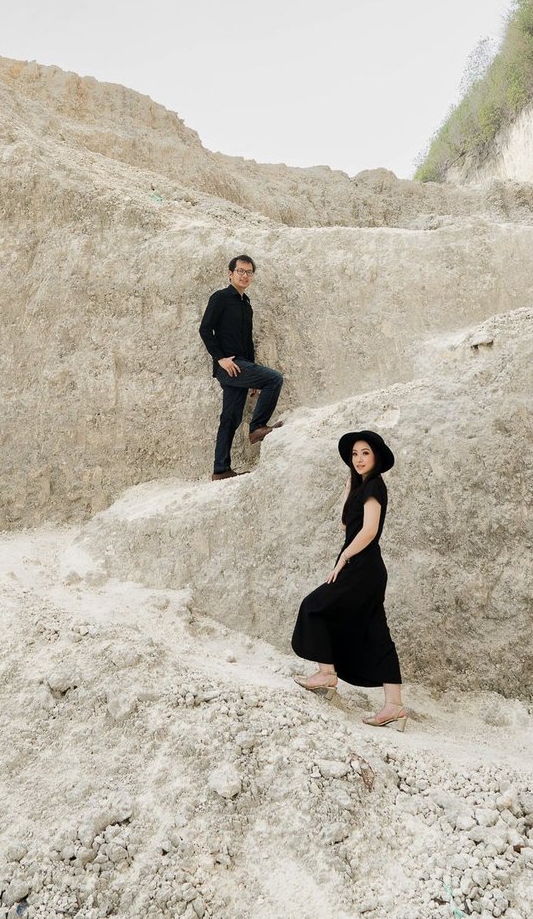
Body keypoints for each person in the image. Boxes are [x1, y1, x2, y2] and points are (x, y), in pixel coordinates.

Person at [291, 430, 406, 729]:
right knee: (376, 631)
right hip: (365, 568)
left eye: (365, 453)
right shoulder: (363, 488)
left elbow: (368, 531)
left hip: (362, 568)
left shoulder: (374, 488)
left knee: (314, 605)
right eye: (355, 454)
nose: (358, 459)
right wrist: (348, 488)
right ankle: (394, 706)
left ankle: (327, 674)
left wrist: (342, 560)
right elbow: (347, 524)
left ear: (376, 457)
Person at [198, 255, 284, 482]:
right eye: (240, 271)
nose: (245, 276)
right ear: (230, 273)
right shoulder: (220, 298)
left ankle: (220, 470)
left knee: (230, 419)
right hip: (229, 366)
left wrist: (253, 375)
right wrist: (221, 359)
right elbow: (205, 330)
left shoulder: (246, 305)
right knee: (274, 379)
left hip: (242, 367)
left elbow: (247, 342)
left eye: (249, 272)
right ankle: (257, 427)